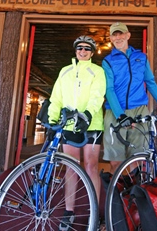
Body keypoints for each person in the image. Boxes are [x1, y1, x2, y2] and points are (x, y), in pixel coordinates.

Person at [47, 35, 106, 231]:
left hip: (92, 123)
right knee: (71, 167)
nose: (83, 51)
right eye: (79, 48)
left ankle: (94, 211)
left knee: (91, 166)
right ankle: (69, 211)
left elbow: (98, 95)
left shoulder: (97, 71)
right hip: (69, 124)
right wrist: (53, 118)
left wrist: (87, 114)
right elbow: (56, 97)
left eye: (87, 48)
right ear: (75, 50)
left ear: (92, 52)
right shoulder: (65, 71)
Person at [102, 22, 157, 174]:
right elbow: (109, 89)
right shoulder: (108, 61)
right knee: (115, 161)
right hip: (115, 112)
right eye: (114, 35)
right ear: (111, 38)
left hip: (139, 111)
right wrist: (120, 115)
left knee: (138, 158)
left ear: (128, 35)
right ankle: (116, 196)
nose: (118, 37)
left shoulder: (141, 57)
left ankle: (135, 195)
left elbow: (150, 82)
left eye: (121, 34)